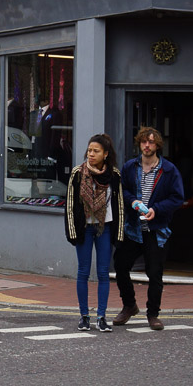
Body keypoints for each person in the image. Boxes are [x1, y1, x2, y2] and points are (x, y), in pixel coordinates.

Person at [113, 126, 184, 331]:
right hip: (133, 229)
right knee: (120, 265)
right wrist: (133, 201)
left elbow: (177, 198)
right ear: (139, 143)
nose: (147, 145)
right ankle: (129, 306)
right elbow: (122, 190)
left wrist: (156, 209)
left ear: (158, 145)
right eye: (144, 141)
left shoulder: (169, 170)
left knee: (155, 274)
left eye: (151, 142)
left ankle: (153, 314)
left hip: (156, 229)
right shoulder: (129, 167)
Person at [64, 133, 124, 332]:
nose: (91, 154)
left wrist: (119, 233)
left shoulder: (114, 175)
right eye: (89, 150)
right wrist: (72, 231)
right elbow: (70, 205)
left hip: (104, 228)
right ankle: (84, 316)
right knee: (83, 272)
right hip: (84, 229)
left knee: (103, 273)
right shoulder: (78, 173)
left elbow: (119, 205)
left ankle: (101, 317)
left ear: (105, 154)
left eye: (96, 151)